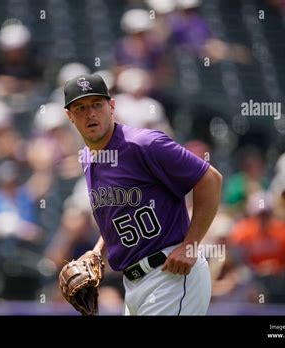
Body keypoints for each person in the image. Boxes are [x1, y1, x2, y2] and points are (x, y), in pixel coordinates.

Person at [62, 74, 222, 315]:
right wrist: (97, 252)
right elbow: (116, 215)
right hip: (133, 285)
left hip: (171, 274)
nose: (90, 113)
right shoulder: (87, 157)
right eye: (81, 107)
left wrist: (191, 245)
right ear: (70, 116)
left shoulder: (144, 144)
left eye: (97, 104)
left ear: (112, 106)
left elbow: (210, 179)